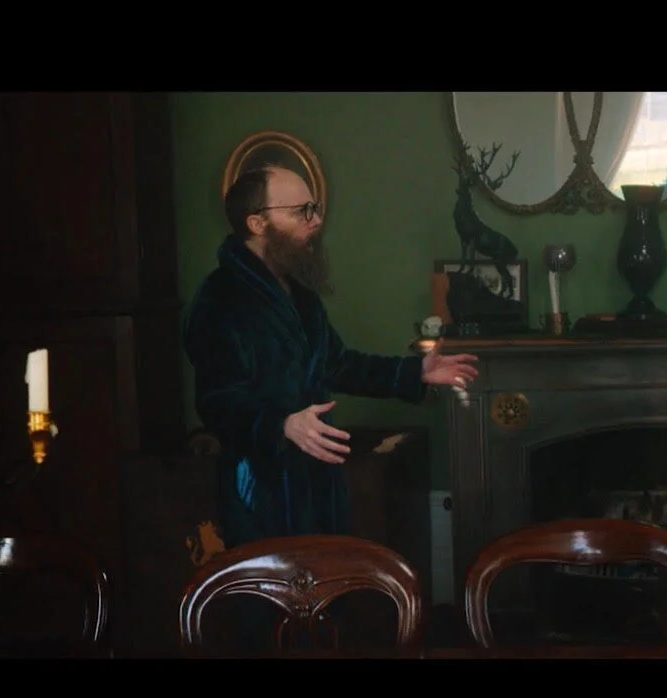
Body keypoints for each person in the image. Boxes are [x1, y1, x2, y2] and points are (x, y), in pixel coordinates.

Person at [184, 165, 480, 549]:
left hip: (318, 484)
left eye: (315, 208)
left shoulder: (299, 294)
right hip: (260, 493)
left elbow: (337, 364)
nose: (317, 221)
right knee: (272, 587)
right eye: (301, 211)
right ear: (257, 223)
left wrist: (414, 372)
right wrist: (281, 425)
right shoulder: (220, 297)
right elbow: (216, 402)